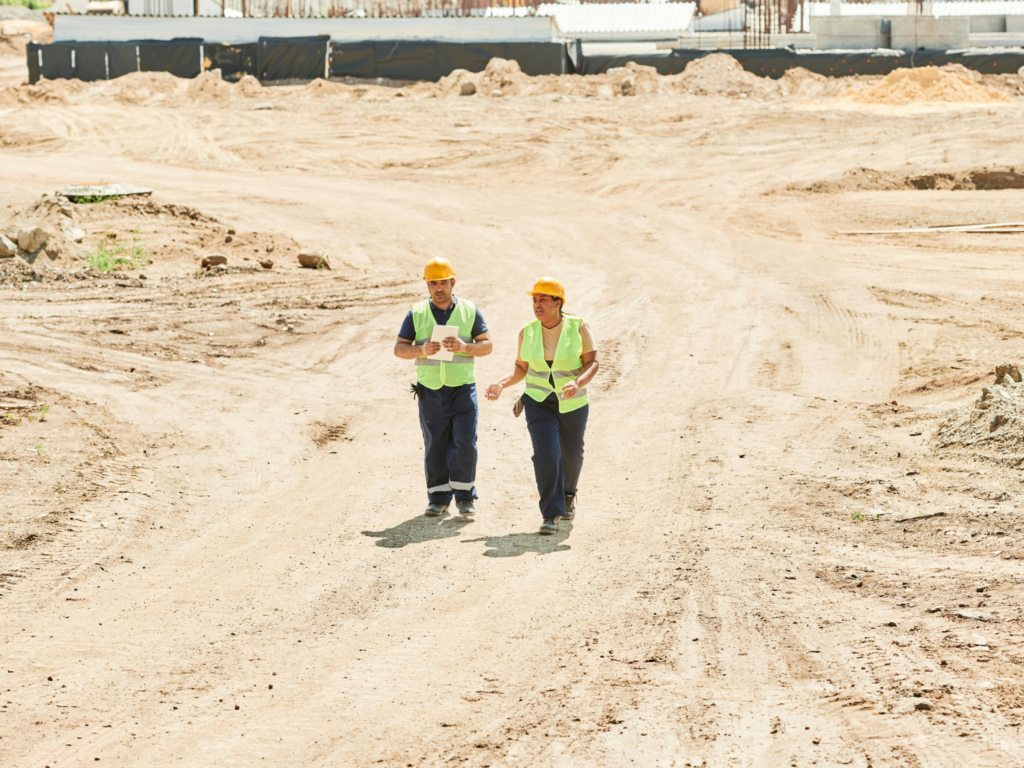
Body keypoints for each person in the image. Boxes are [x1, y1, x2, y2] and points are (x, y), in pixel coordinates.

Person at [485, 278, 599, 535]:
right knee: (546, 452)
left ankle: (569, 494)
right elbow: (521, 368)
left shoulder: (578, 327)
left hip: (572, 400)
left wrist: (578, 383)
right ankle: (551, 512)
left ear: (558, 303)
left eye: (543, 300)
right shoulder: (528, 331)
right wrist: (502, 383)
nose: (537, 305)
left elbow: (592, 362)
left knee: (571, 453)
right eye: (534, 300)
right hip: (538, 400)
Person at [394, 258, 492, 518]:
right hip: (430, 390)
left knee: (465, 442)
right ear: (427, 284)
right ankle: (437, 498)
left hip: (462, 388)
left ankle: (465, 497)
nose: (439, 288)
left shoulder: (470, 311)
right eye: (433, 283)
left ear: (453, 282)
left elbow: (487, 346)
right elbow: (399, 349)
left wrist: (465, 347)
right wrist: (420, 350)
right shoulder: (416, 313)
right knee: (435, 444)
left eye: (443, 282)